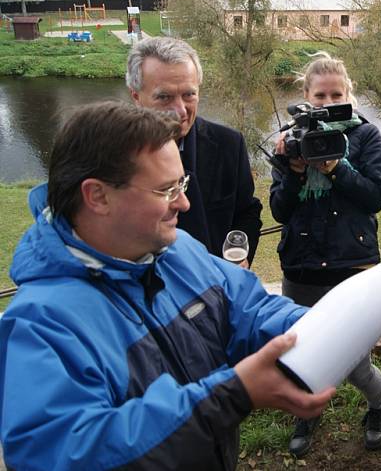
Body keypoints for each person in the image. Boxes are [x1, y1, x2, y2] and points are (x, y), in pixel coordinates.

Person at [0, 102, 334, 470]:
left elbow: (250, 309)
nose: (185, 203)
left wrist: (324, 329)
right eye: (166, 190)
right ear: (97, 196)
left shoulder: (177, 248)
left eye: (182, 183)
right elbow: (64, 453)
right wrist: (230, 397)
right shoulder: (39, 326)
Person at [269, 52, 381, 456]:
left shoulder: (365, 136)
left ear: (349, 95)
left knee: (356, 362)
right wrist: (295, 171)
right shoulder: (289, 141)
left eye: (335, 93)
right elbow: (280, 210)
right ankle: (307, 410)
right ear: (306, 96)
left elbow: (376, 197)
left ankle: (378, 404)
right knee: (303, 352)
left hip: (352, 263)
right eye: (319, 95)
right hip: (303, 265)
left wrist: (338, 167)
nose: (326, 101)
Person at [127, 37, 263, 267]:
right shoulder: (113, 154)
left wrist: (241, 257)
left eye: (189, 94)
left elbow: (247, 212)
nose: (180, 110)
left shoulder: (229, 144)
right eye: (164, 97)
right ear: (136, 97)